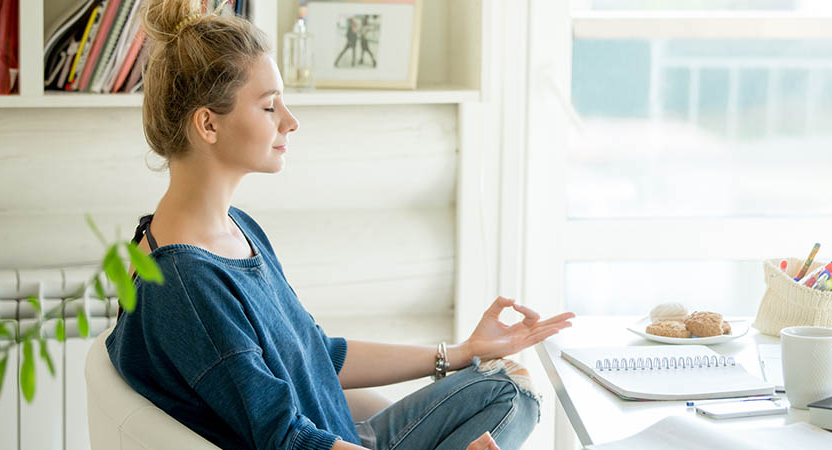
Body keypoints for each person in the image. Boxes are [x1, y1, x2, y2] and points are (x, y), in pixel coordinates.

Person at [107, 1, 575, 450]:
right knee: (516, 394)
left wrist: (462, 351)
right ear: (208, 125)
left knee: (507, 386)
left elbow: (317, 354)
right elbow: (286, 440)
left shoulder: (232, 229)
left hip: (348, 435)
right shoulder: (186, 283)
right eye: (269, 107)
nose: (290, 121)